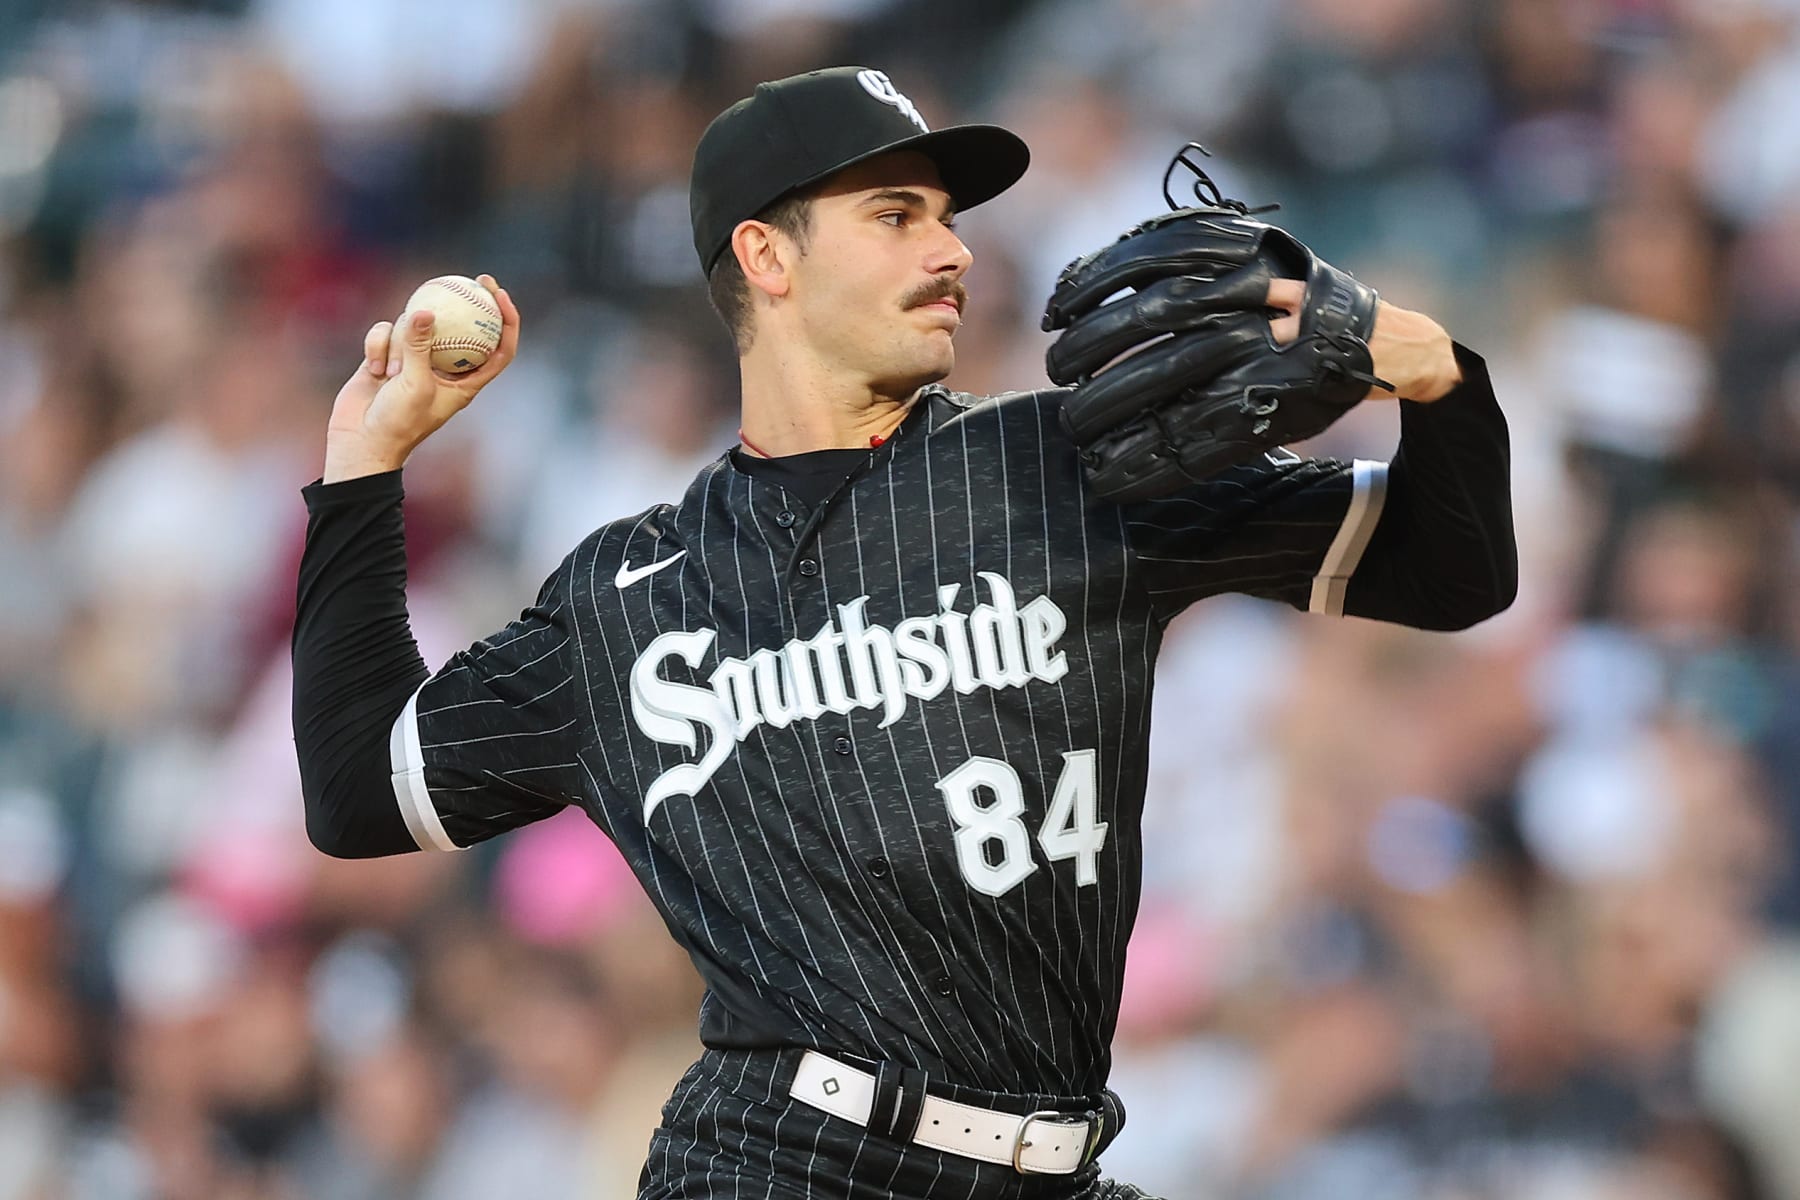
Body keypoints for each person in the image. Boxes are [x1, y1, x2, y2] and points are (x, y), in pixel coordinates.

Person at [292, 65, 1516, 1199]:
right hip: (779, 1161)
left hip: (1051, 1163)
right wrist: (366, 464)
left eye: (948, 217)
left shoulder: (1066, 467)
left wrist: (1423, 364)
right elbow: (361, 790)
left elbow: (1452, 569)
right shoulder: (632, 592)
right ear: (766, 256)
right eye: (895, 215)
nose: (953, 251)